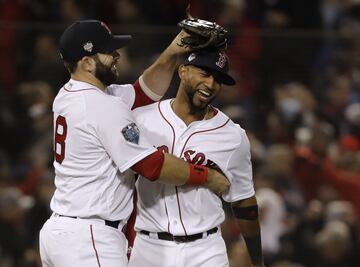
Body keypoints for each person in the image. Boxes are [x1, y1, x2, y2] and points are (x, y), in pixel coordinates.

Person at [38, 20, 230, 267]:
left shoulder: (72, 94)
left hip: (63, 232)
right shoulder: (102, 106)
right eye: (108, 52)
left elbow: (142, 93)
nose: (116, 55)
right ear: (87, 63)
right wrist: (207, 177)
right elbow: (152, 165)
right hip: (89, 239)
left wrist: (173, 51)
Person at [127, 49, 265, 267]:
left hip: (205, 249)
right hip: (149, 245)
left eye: (218, 79)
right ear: (183, 71)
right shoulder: (142, 119)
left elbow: (244, 202)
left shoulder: (232, 136)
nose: (211, 84)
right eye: (205, 73)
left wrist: (257, 262)